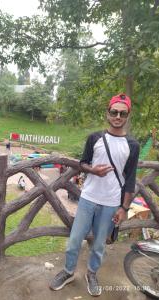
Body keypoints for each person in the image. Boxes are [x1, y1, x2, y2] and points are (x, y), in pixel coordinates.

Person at [49, 93, 140, 296]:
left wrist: (124, 208)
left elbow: (131, 180)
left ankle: (92, 273)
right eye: (114, 112)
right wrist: (92, 171)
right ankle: (68, 271)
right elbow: (82, 162)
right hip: (88, 198)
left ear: (127, 116)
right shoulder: (95, 138)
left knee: (99, 244)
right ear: (107, 113)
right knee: (74, 240)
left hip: (111, 202)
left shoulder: (132, 145)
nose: (118, 116)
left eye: (122, 113)